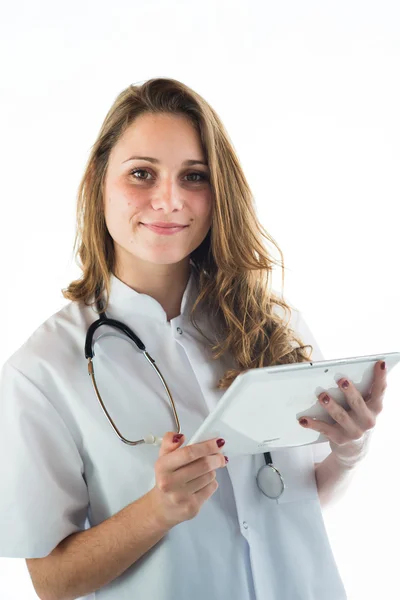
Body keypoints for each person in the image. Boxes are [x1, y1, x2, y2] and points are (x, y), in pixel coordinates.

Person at [0, 77, 386, 600]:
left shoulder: (275, 328)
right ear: (97, 182)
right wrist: (157, 512)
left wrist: (347, 451)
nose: (170, 200)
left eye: (194, 176)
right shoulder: (43, 370)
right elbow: (51, 581)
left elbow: (290, 496)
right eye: (142, 174)